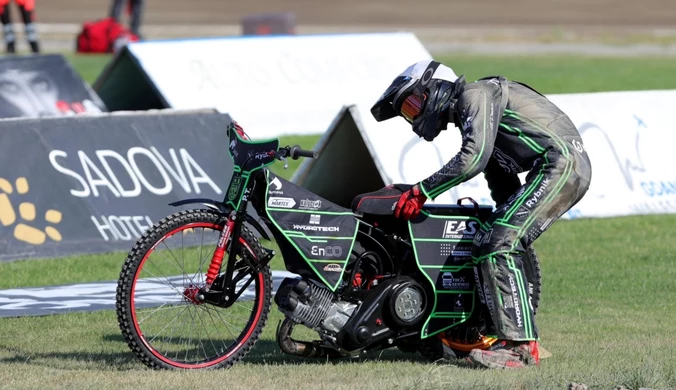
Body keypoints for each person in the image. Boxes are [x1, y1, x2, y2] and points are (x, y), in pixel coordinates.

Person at [370, 60, 591, 369]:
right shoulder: (473, 114)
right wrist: (499, 219)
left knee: (499, 244)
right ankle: (507, 335)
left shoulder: (474, 94)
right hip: (559, 166)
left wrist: (422, 191)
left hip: (562, 165)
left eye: (412, 103)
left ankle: (520, 347)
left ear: (435, 87)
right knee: (493, 239)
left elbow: (473, 158)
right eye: (407, 112)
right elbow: (499, 175)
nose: (413, 116)